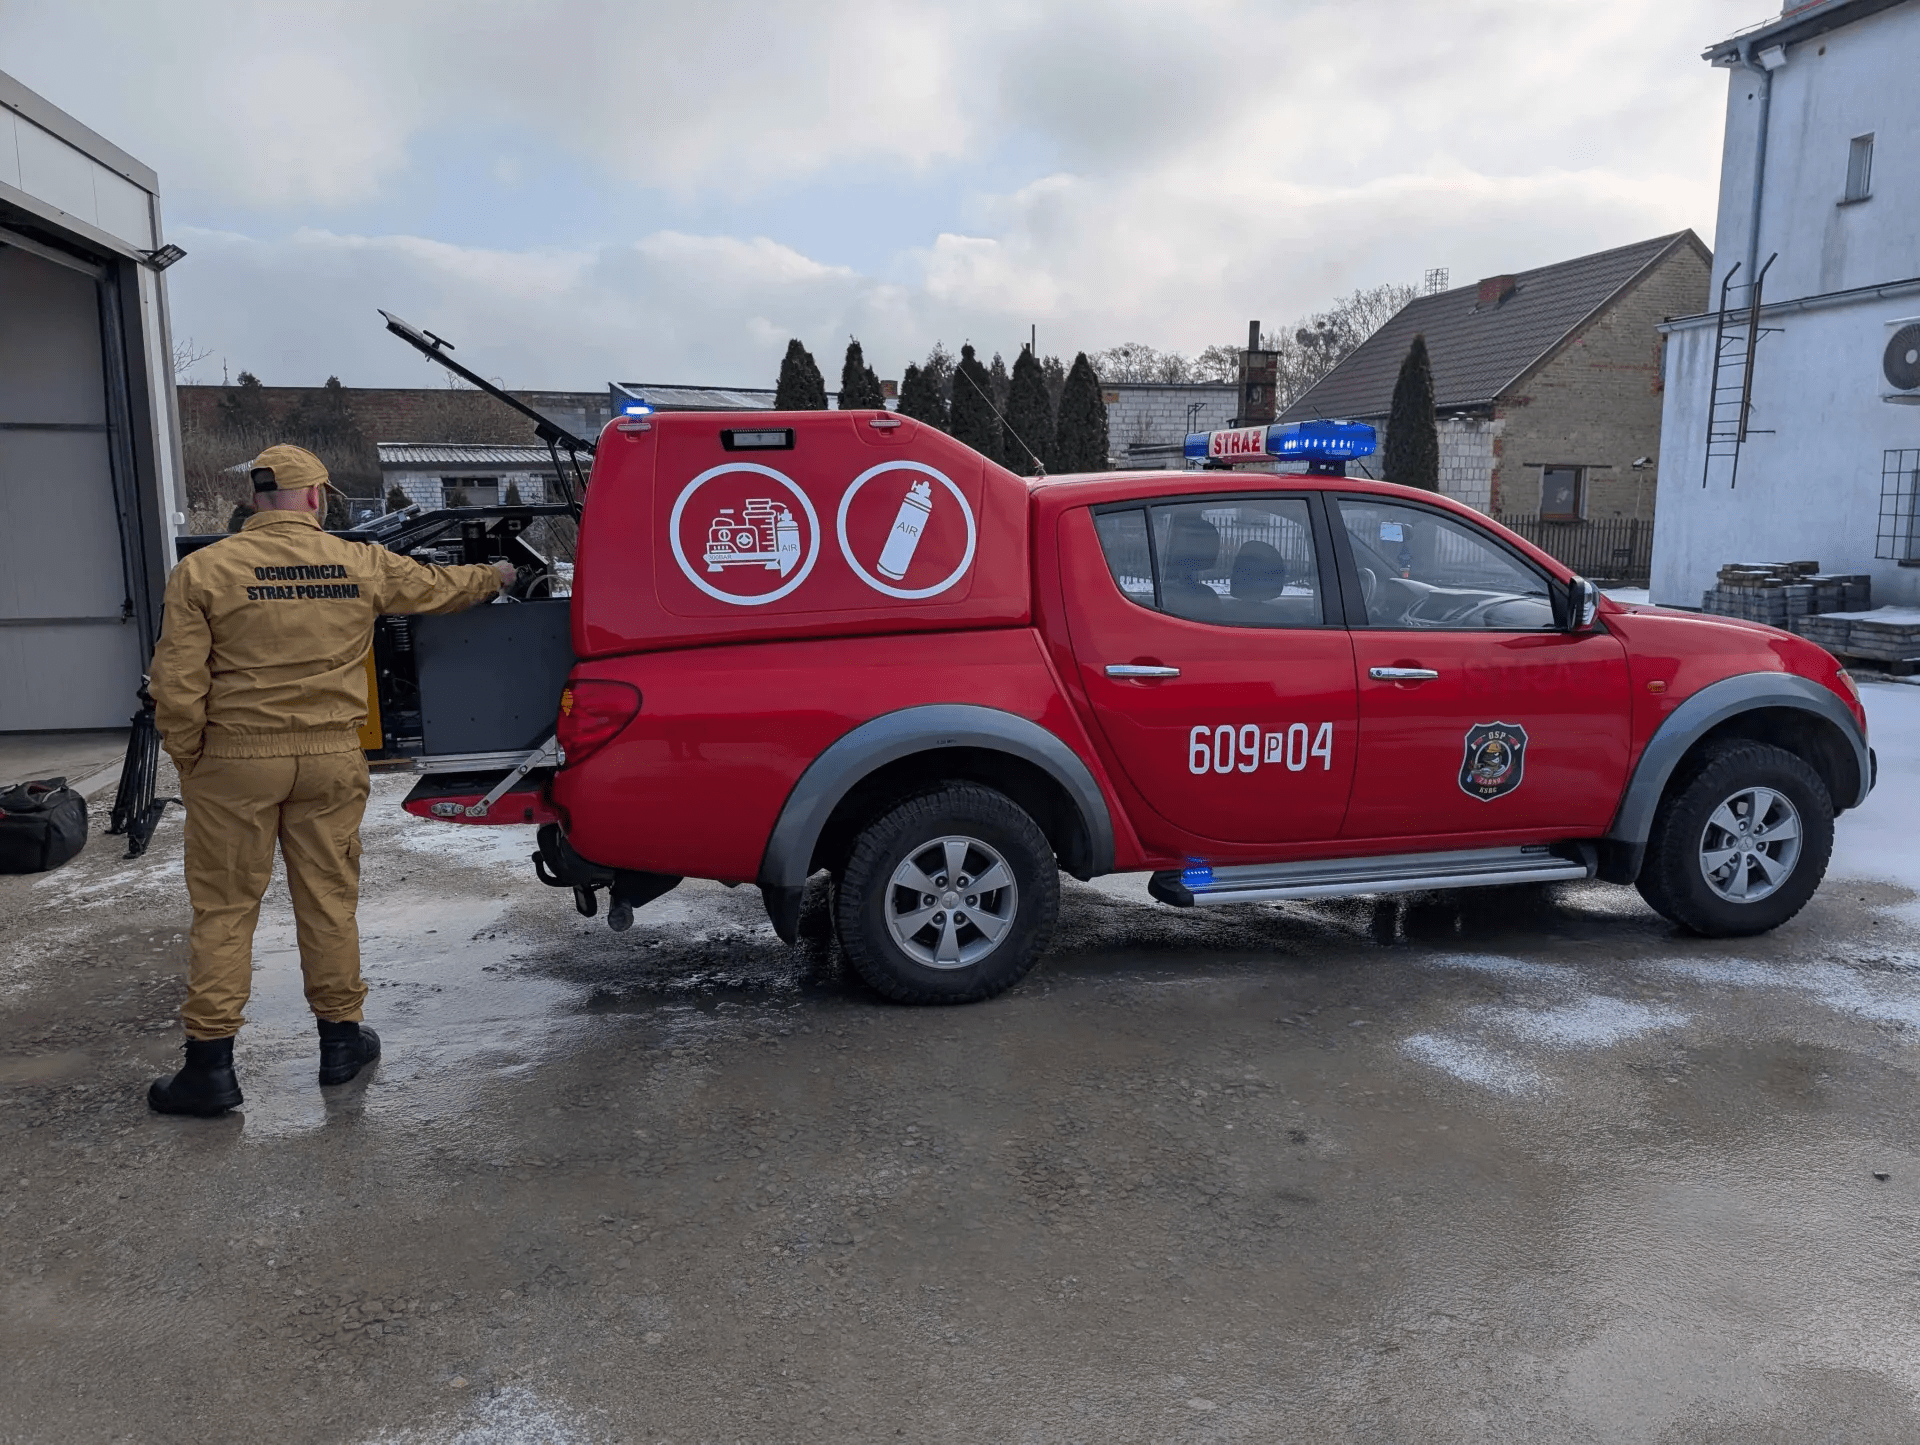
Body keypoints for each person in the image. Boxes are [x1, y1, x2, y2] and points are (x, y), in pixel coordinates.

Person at [146, 444, 514, 1116]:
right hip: (329, 755)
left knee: (226, 910)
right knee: (328, 900)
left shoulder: (202, 571)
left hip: (235, 758)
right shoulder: (359, 563)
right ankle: (340, 1043)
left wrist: (192, 755)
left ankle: (210, 1068)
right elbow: (439, 590)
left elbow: (176, 685)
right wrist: (495, 573)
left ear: (257, 497)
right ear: (315, 497)